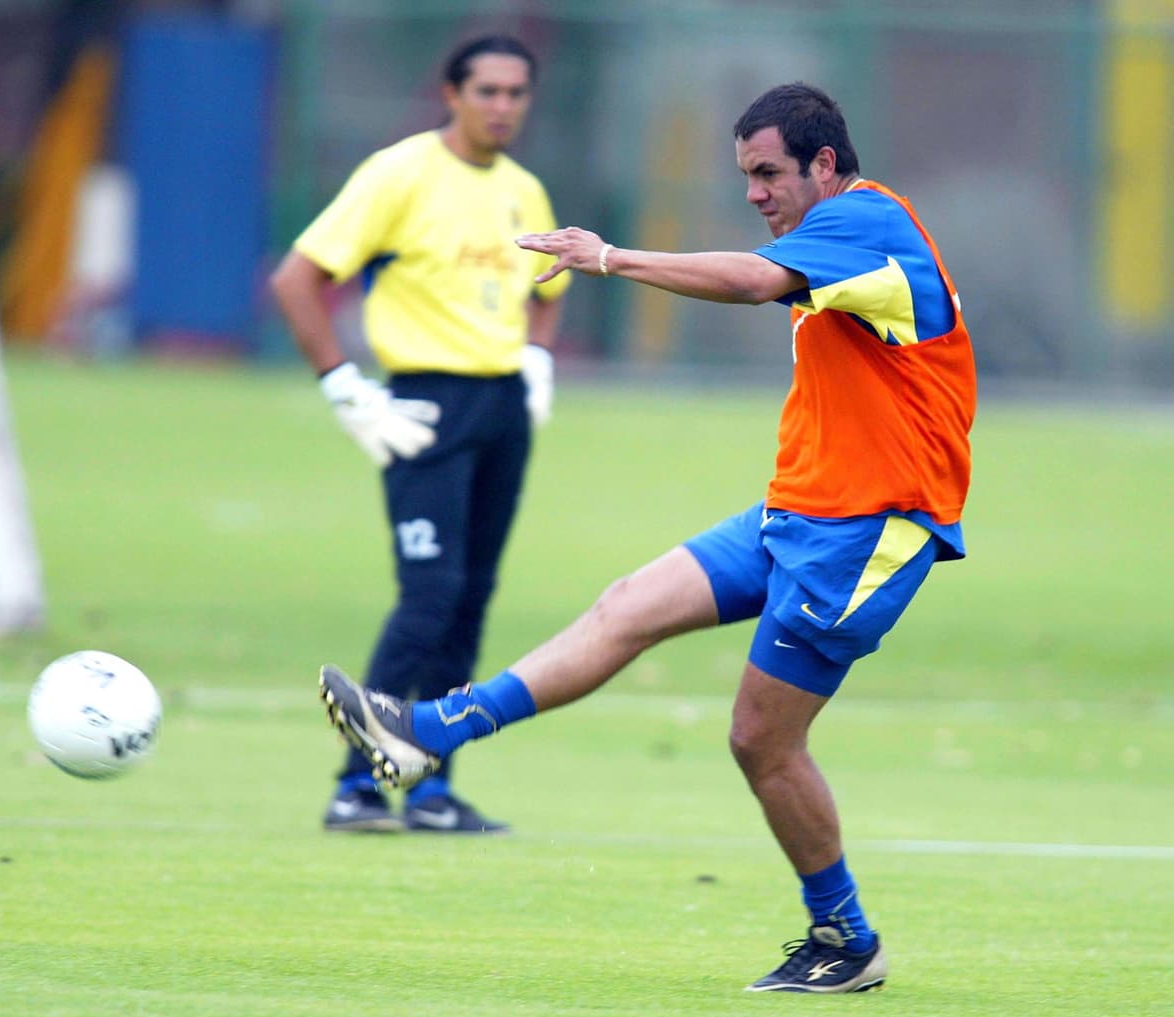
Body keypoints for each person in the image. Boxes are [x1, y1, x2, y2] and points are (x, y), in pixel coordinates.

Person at [316, 81, 976, 992]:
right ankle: (427, 733)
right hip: (798, 512)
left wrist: (610, 258)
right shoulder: (836, 237)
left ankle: (847, 938)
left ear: (826, 164)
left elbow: (749, 281)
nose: (755, 192)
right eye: (745, 174)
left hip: (871, 531)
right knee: (626, 606)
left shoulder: (867, 224)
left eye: (768, 173)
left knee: (760, 739)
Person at [270, 35, 570, 834]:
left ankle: (432, 787)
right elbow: (298, 279)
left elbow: (551, 284)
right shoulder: (399, 173)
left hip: (503, 409)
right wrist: (344, 387)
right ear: (452, 93)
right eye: (488, 91)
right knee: (429, 593)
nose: (503, 106)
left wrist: (537, 362)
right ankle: (356, 785)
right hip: (424, 409)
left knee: (470, 598)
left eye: (517, 93)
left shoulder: (524, 190)